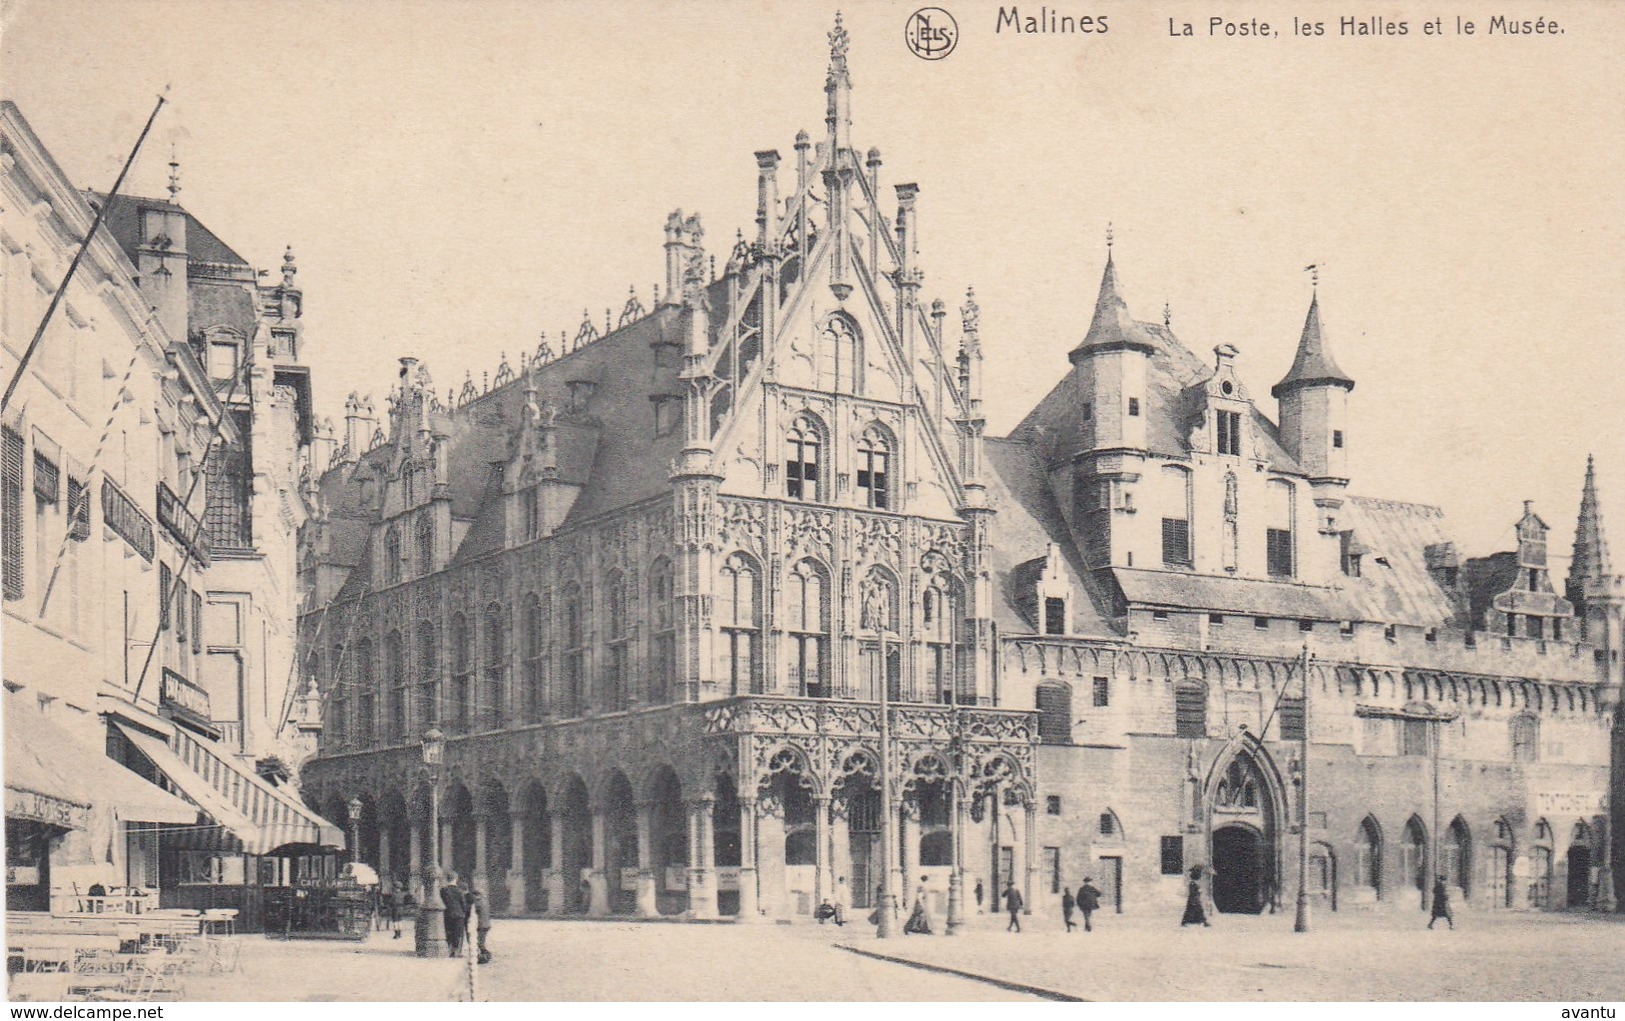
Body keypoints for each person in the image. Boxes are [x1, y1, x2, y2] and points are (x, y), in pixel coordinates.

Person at [441, 871, 468, 957]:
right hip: (459, 915)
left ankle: (448, 950)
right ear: (455, 879)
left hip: (447, 914)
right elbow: (463, 903)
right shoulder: (459, 891)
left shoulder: (443, 890)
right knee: (458, 933)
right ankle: (456, 952)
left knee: (448, 932)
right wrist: (464, 912)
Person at [471, 886, 492, 963]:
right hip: (486, 924)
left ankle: (486, 956)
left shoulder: (478, 902)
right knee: (481, 941)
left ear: (476, 895)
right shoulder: (484, 901)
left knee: (479, 942)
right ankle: (483, 956)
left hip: (481, 925)